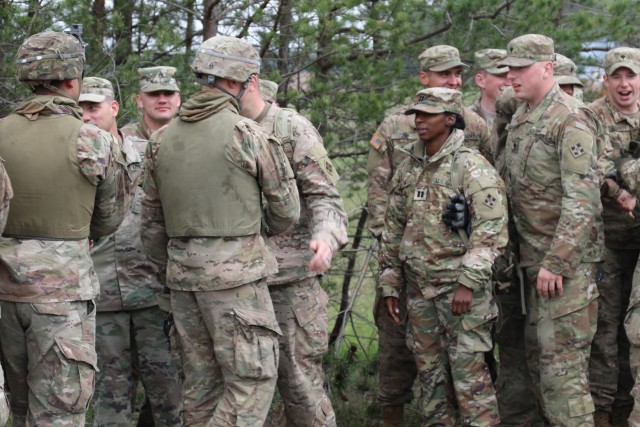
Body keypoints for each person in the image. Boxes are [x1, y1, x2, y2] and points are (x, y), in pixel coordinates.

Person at [140, 35, 300, 426]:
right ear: (240, 81)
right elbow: (287, 210)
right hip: (237, 280)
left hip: (182, 281)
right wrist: (248, 234)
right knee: (253, 380)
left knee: (201, 386)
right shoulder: (247, 134)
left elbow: (151, 225)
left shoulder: (160, 140)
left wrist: (180, 262)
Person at [0, 30, 126, 426]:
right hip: (63, 296)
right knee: (59, 413)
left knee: (16, 410)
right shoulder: (94, 140)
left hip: (3, 290)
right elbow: (109, 218)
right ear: (73, 81)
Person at [366, 44, 492, 425]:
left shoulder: (475, 129)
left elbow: (490, 205)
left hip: (458, 270)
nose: (454, 80)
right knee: (402, 356)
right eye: (444, 74)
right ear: (424, 78)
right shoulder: (394, 127)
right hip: (408, 267)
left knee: (469, 368)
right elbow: (381, 199)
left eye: (457, 74)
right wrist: (393, 265)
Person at [500, 34, 603, 426]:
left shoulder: (569, 118)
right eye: (510, 68)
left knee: (564, 380)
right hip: (533, 267)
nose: (513, 76)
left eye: (522, 68)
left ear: (548, 68)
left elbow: (583, 201)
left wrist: (556, 262)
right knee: (540, 371)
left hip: (565, 271)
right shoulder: (524, 116)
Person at [238, 69, 349, 426]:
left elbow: (326, 198)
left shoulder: (290, 129)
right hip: (234, 285)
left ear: (250, 82)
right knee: (241, 392)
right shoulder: (214, 129)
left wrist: (326, 238)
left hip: (289, 281)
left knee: (300, 386)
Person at [78, 76, 182, 426]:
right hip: (103, 295)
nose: (86, 116)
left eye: (92, 107)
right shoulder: (73, 157)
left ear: (114, 108)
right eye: (79, 108)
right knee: (110, 397)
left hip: (153, 293)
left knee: (169, 395)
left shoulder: (148, 150)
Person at [588, 46, 640, 427]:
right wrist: (616, 188)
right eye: (616, 77)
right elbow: (589, 167)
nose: (625, 85)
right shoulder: (589, 118)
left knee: (636, 329)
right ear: (605, 81)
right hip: (605, 239)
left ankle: (630, 409)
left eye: (631, 76)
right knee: (605, 326)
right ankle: (603, 410)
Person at [121, 66, 181, 140]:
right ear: (140, 101)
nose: (162, 100)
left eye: (168, 93)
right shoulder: (124, 138)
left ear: (178, 99)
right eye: (153, 94)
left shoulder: (192, 135)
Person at [471, 48, 510, 129]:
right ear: (480, 80)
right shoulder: (464, 119)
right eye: (502, 75)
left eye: (511, 74)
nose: (509, 82)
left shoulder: (524, 117)